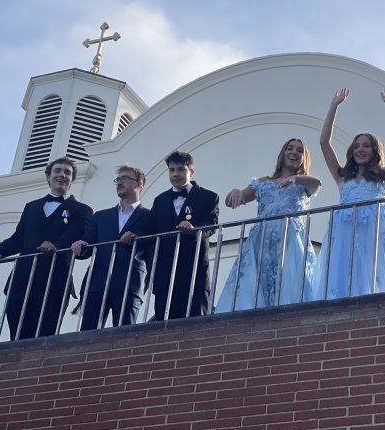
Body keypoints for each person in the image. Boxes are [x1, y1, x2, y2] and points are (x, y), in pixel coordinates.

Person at [0, 157, 93, 340]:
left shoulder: (82, 210)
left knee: (44, 337)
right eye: (57, 171)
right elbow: (19, 239)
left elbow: (74, 235)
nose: (62, 175)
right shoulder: (32, 207)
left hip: (54, 279)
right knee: (17, 336)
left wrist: (56, 246)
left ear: (72, 180)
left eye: (67, 172)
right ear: (48, 177)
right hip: (22, 279)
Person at [314, 88, 385, 299]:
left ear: (375, 151)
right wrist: (333, 106)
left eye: (366, 146)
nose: (360, 149)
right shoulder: (342, 177)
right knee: (344, 276)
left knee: (374, 276)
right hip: (344, 233)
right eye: (356, 146)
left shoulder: (384, 177)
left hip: (374, 233)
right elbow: (323, 143)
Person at [216, 139, 321, 312]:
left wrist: (295, 179)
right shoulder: (263, 181)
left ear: (304, 158)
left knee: (290, 280)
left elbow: (317, 182)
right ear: (283, 154)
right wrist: (235, 191)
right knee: (258, 282)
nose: (294, 152)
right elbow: (232, 201)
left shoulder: (304, 183)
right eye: (290, 148)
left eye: (299, 150)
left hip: (290, 238)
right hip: (263, 238)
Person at [130, 151, 219, 320]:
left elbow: (211, 224)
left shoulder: (208, 197)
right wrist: (134, 235)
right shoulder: (160, 200)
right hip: (165, 274)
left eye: (181, 169)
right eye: (172, 170)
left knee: (195, 323)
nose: (176, 174)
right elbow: (149, 228)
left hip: (193, 272)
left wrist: (194, 228)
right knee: (164, 325)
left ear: (191, 171)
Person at [70, 165, 151, 330]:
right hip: (96, 283)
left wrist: (136, 240)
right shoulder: (101, 216)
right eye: (117, 179)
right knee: (87, 336)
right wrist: (80, 244)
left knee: (124, 335)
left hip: (129, 283)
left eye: (124, 178)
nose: (119, 183)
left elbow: (151, 247)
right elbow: (87, 244)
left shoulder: (150, 216)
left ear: (139, 183)